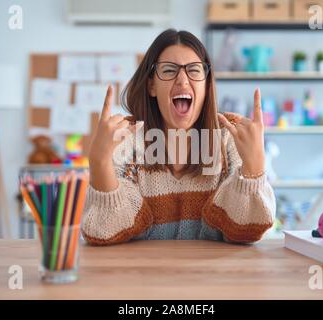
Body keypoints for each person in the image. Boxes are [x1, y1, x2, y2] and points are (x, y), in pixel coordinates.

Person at [81, 29, 276, 245]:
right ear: (152, 85)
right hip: (142, 277)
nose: (182, 80)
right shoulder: (125, 141)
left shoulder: (230, 139)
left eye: (194, 70)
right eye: (169, 70)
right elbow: (102, 233)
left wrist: (254, 168)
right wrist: (99, 162)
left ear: (206, 84)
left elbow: (248, 233)